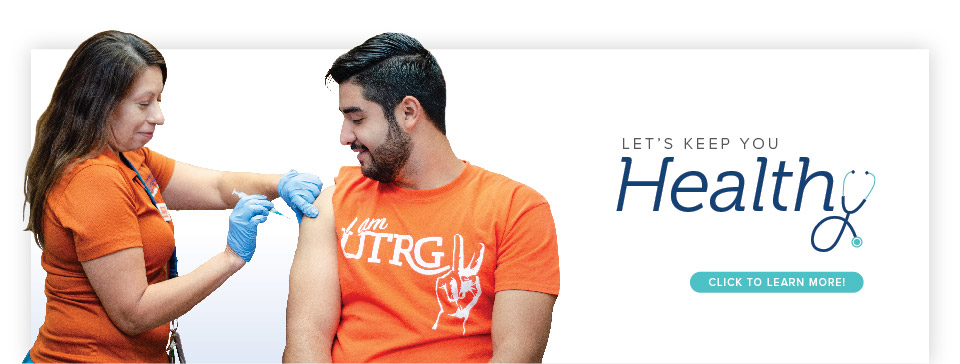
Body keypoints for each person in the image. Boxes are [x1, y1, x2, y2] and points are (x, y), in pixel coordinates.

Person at [23, 30, 323, 363]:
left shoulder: (128, 157)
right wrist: (230, 257)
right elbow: (133, 313)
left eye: (159, 100)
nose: (158, 117)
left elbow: (217, 186)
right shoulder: (92, 180)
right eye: (144, 103)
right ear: (100, 104)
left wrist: (279, 184)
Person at [283, 33, 560, 363]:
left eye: (357, 119)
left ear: (409, 112)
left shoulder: (518, 209)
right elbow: (306, 340)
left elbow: (517, 356)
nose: (345, 137)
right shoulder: (332, 204)